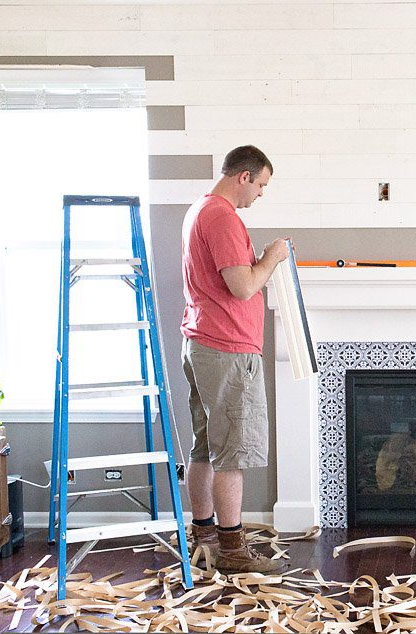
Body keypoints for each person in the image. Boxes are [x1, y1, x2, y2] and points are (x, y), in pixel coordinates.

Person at [179, 145, 289, 574]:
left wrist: (258, 260)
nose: (260, 193)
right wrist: (272, 258)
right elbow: (242, 287)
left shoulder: (199, 210)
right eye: (261, 184)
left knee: (206, 446)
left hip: (203, 341)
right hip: (227, 347)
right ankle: (233, 551)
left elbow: (227, 278)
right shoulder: (222, 217)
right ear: (244, 176)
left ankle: (205, 535)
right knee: (233, 452)